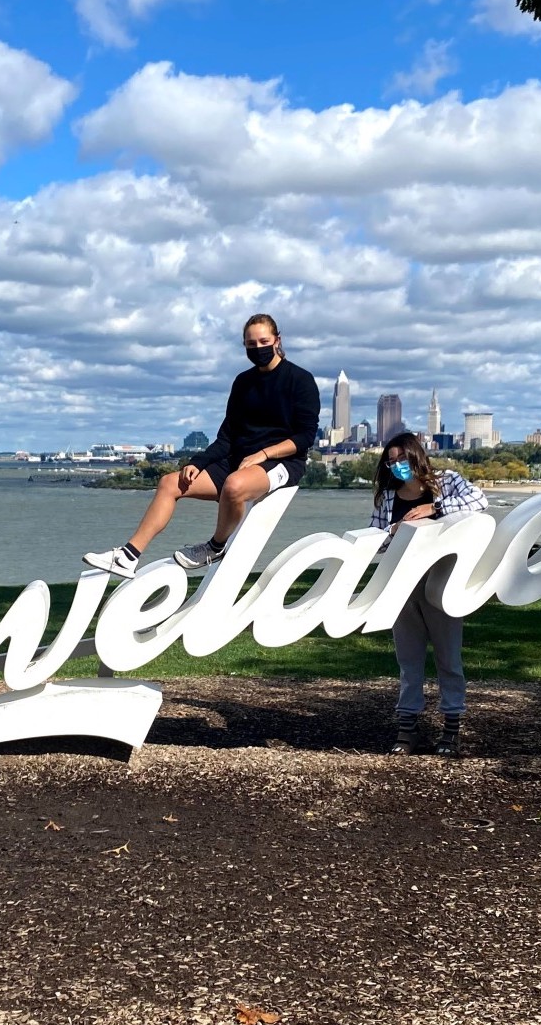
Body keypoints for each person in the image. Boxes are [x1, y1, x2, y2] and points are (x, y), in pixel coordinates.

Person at [83, 314, 320, 578]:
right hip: (239, 460)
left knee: (234, 485)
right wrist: (197, 463)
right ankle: (128, 557)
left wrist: (262, 454)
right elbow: (227, 436)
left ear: (277, 340)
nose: (258, 348)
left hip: (283, 462)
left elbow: (304, 437)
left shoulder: (300, 380)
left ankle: (215, 547)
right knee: (170, 483)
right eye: (250, 344)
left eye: (263, 341)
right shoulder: (243, 382)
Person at [369, 432, 488, 757]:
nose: (397, 466)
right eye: (391, 462)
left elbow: (479, 500)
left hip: (443, 582)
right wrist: (393, 531)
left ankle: (451, 729)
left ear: (416, 456)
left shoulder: (446, 482)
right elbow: (376, 538)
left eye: (402, 459)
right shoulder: (389, 498)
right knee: (409, 662)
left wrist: (432, 507)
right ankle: (407, 730)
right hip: (403, 585)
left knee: (449, 659)